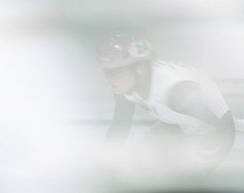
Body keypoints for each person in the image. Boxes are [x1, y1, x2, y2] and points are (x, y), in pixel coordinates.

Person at [98, 34, 235, 175]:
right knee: (142, 160)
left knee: (183, 183)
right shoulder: (125, 85)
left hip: (212, 134)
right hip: (178, 124)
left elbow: (223, 126)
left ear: (140, 69)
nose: (109, 80)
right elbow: (121, 124)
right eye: (106, 72)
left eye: (115, 73)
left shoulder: (177, 91)